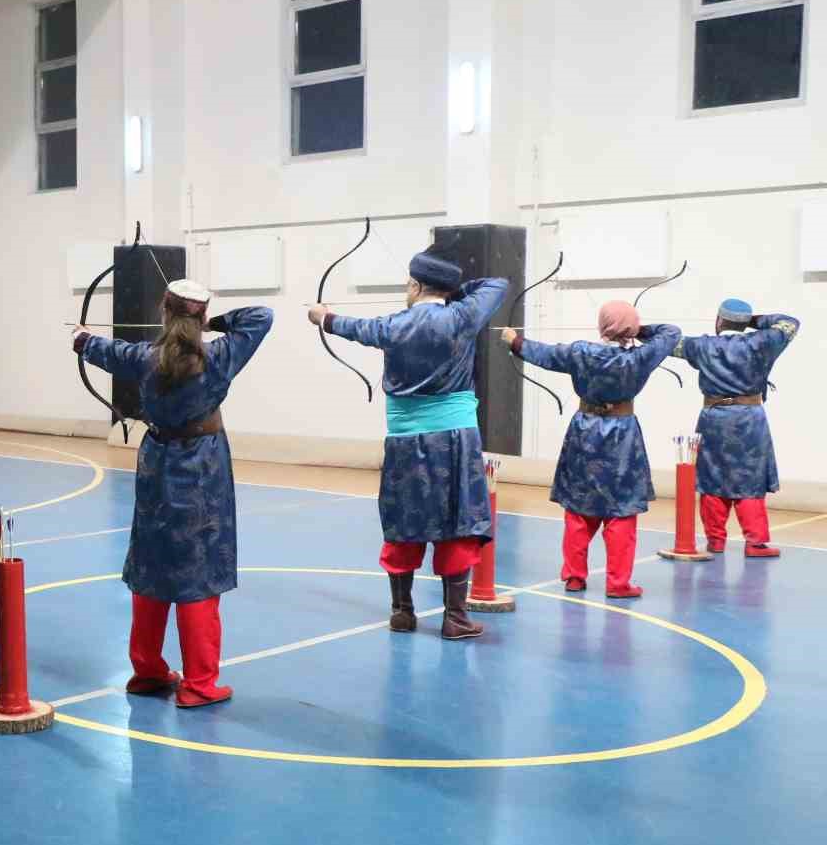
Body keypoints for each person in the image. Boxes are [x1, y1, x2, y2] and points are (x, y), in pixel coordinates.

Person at [72, 280, 272, 708]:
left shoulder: (143, 358)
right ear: (199, 316)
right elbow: (262, 316)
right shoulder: (218, 356)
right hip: (203, 468)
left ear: (164, 312)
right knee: (199, 569)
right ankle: (199, 684)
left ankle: (147, 671)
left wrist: (82, 337)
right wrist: (212, 324)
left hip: (156, 465)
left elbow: (96, 347)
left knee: (152, 562)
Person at [307, 247, 507, 640]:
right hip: (456, 441)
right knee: (458, 523)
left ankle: (402, 612)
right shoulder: (464, 315)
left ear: (415, 286)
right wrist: (456, 291)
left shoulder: (393, 325)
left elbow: (350, 327)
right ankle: (455, 618)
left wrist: (323, 317)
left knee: (403, 522)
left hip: (405, 444)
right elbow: (497, 284)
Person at [499, 302, 681, 597]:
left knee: (579, 508)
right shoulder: (641, 357)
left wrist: (514, 340)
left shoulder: (580, 352)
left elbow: (544, 354)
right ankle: (618, 584)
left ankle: (574, 576)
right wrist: (639, 330)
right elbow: (672, 333)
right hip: (622, 435)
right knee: (621, 511)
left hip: (585, 432)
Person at [671, 299, 799, 557]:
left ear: (719, 320)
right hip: (750, 419)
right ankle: (755, 543)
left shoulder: (703, 346)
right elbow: (790, 323)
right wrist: (753, 320)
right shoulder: (761, 342)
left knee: (712, 478)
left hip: (713, 419)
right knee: (750, 479)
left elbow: (668, 343)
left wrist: (636, 332)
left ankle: (715, 541)